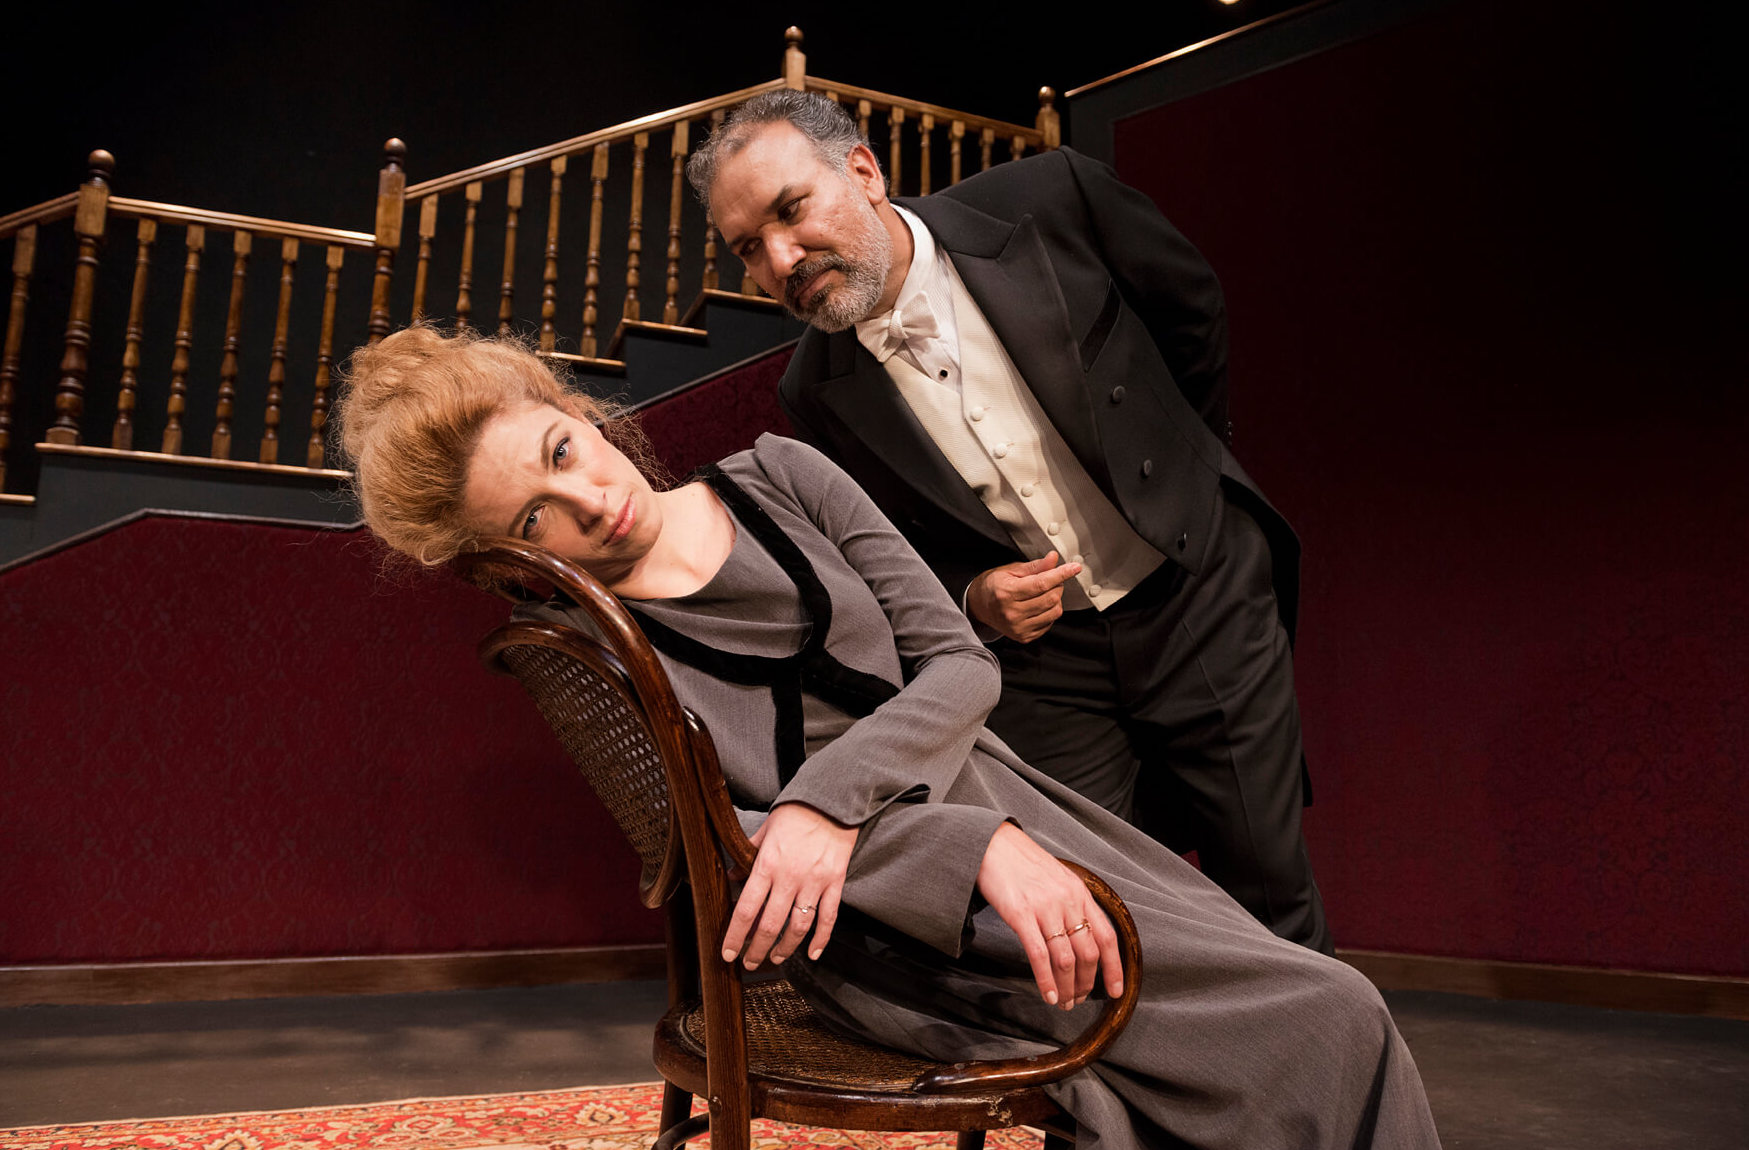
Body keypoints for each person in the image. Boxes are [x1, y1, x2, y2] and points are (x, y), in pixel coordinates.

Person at [333, 325, 1440, 1150]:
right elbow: (719, 849)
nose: (587, 499)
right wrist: (964, 848)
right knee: (1323, 1017)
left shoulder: (785, 474)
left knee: (1315, 998)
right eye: (534, 517)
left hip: (1019, 814)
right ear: (512, 556)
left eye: (562, 449)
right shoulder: (587, 645)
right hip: (881, 924)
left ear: (580, 412)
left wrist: (837, 805)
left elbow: (963, 665)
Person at [685, 92, 1331, 954]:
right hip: (1048, 669)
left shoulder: (1051, 198)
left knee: (1269, 886)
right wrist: (973, 596)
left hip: (1198, 593)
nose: (779, 258)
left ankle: (1320, 1045)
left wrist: (1175, 480)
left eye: (790, 210)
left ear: (864, 172)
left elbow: (1191, 312)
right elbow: (897, 550)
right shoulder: (811, 389)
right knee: (1096, 912)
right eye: (746, 248)